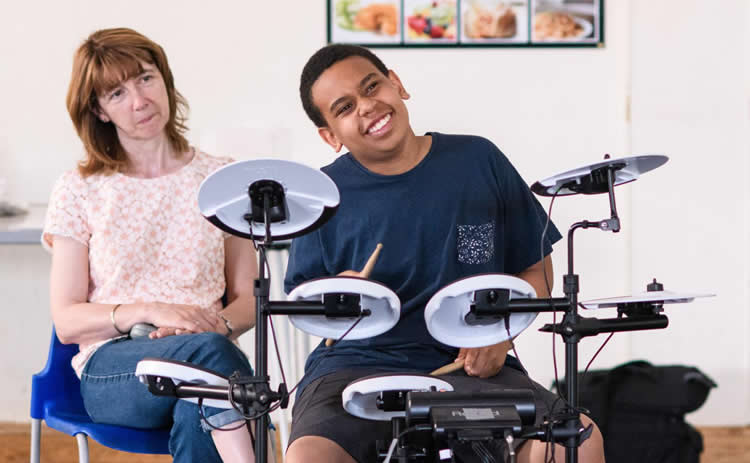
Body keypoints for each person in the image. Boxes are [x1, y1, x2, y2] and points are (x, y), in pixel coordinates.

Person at [283, 44, 606, 463]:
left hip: (473, 368)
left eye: (372, 87)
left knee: (577, 440)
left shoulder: (478, 160)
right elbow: (302, 308)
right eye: (345, 108)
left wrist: (500, 335)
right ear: (330, 136)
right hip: (353, 369)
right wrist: (339, 298)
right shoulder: (320, 197)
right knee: (310, 457)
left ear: (396, 84)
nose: (367, 107)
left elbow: (536, 271)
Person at [43, 28, 259, 463]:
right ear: (100, 112)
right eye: (117, 94)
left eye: (145, 79)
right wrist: (149, 311)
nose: (139, 101)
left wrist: (212, 327)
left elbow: (249, 300)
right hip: (118, 369)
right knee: (222, 375)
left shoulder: (222, 181)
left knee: (202, 404)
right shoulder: (79, 190)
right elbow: (67, 321)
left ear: (164, 79)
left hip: (211, 358)